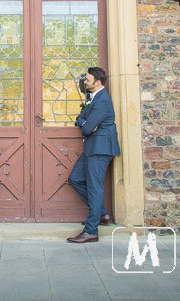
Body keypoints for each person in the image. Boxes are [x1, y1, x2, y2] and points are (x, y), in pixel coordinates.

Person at [67, 66, 121, 243]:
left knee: (95, 187)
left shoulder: (103, 100)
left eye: (88, 79)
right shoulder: (92, 98)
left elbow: (87, 128)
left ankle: (91, 231)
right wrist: (85, 122)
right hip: (92, 148)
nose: (85, 81)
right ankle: (102, 214)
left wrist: (86, 123)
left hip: (100, 148)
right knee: (75, 179)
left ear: (97, 82)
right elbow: (80, 120)